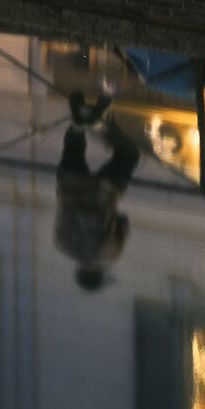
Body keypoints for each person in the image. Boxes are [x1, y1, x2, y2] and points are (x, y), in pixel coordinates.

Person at [56, 109, 145, 291]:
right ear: (79, 271)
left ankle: (102, 123)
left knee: (128, 155)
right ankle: (78, 125)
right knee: (73, 150)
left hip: (105, 191)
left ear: (100, 273)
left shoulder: (111, 253)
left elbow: (123, 221)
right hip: (69, 186)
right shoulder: (62, 244)